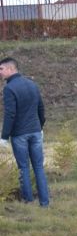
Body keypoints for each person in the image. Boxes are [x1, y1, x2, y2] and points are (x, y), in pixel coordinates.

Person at [1, 57, 49, 207]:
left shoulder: (9, 89)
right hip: (35, 132)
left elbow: (10, 114)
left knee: (23, 168)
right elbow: (40, 108)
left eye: (1, 69)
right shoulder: (32, 84)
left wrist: (3, 137)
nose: (0, 73)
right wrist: (40, 127)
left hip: (20, 135)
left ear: (10, 69)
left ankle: (28, 201)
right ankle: (45, 202)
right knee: (39, 167)